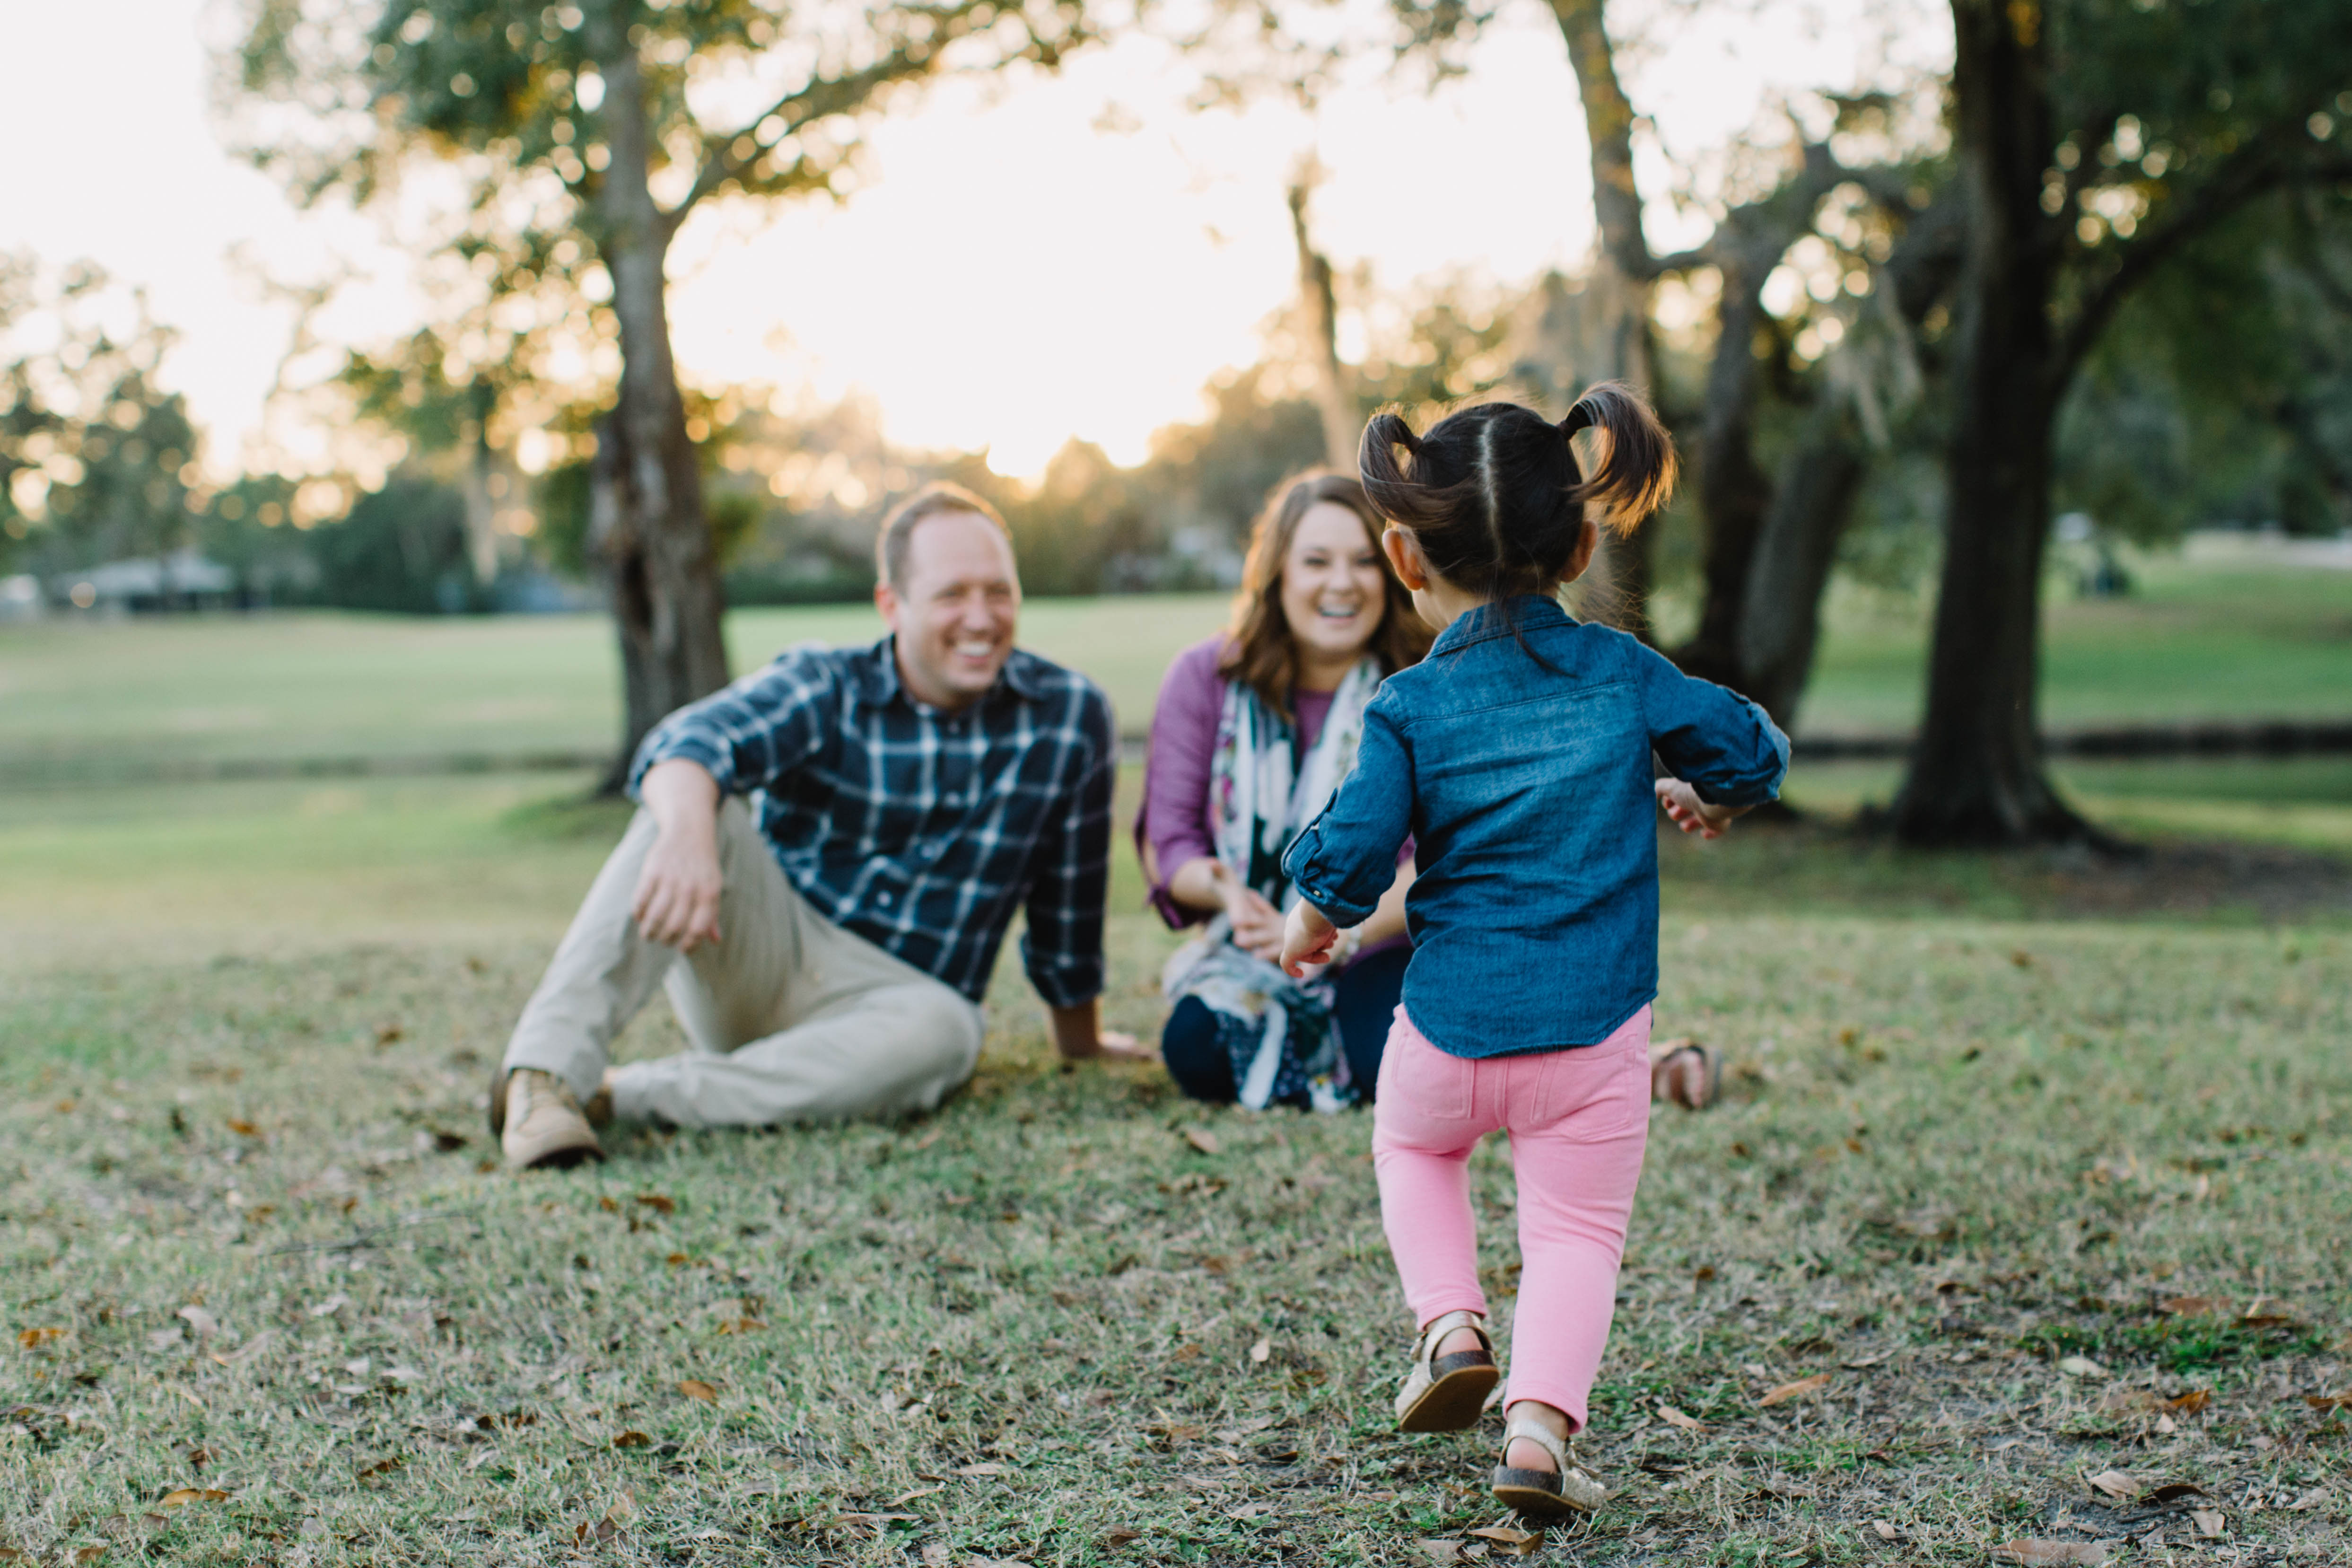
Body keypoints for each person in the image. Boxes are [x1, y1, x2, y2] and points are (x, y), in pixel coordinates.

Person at [1277, 385, 1788, 1516]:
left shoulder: (1409, 705)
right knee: (1576, 1233)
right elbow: (1751, 754)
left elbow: (1350, 862)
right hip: (1596, 1035)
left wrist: (1310, 929)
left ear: (1407, 559)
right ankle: (1539, 1436)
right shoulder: (1621, 672)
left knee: (1412, 1152)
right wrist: (1709, 790)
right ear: (1584, 541)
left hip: (1449, 1030)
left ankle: (1451, 1325)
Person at [490, 482, 1145, 1170]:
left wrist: (1081, 1043)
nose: (981, 619)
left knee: (952, 1031)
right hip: (766, 957)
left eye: (999, 592)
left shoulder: (1069, 716)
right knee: (687, 803)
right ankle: (541, 1077)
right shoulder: (827, 684)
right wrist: (689, 838)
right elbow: (683, 742)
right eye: (952, 595)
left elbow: (1067, 903)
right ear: (891, 605)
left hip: (897, 1005)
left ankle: (621, 1097)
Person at [1136, 472, 1430, 1109]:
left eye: (1363, 562)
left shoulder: (1425, 685)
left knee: (1390, 1055)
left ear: (1393, 573)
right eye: (1316, 562)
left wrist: (1331, 931)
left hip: (1385, 941)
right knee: (1195, 1049)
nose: (1342, 583)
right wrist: (1223, 891)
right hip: (1248, 944)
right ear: (1278, 575)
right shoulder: (1204, 678)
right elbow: (1171, 841)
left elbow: (1444, 857)